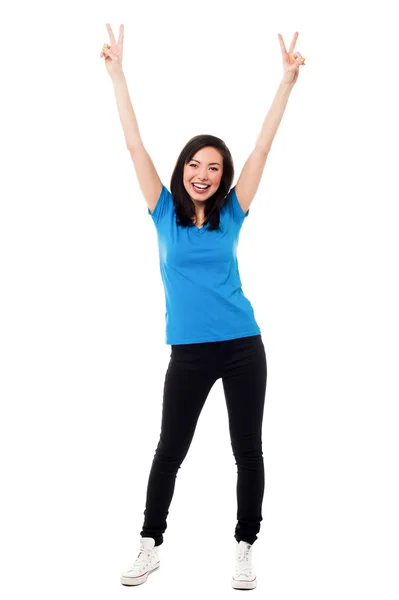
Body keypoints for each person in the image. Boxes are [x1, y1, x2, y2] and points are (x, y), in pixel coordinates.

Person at [100, 23, 305, 590]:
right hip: (187, 352)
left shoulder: (233, 212)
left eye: (214, 167)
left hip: (243, 346)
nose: (203, 173)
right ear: (183, 167)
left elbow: (263, 146)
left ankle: (244, 546)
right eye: (196, 164)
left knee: (248, 449)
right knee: (170, 449)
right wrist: (118, 75)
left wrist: (286, 82)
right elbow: (134, 144)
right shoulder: (162, 210)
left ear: (223, 178)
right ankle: (149, 542)